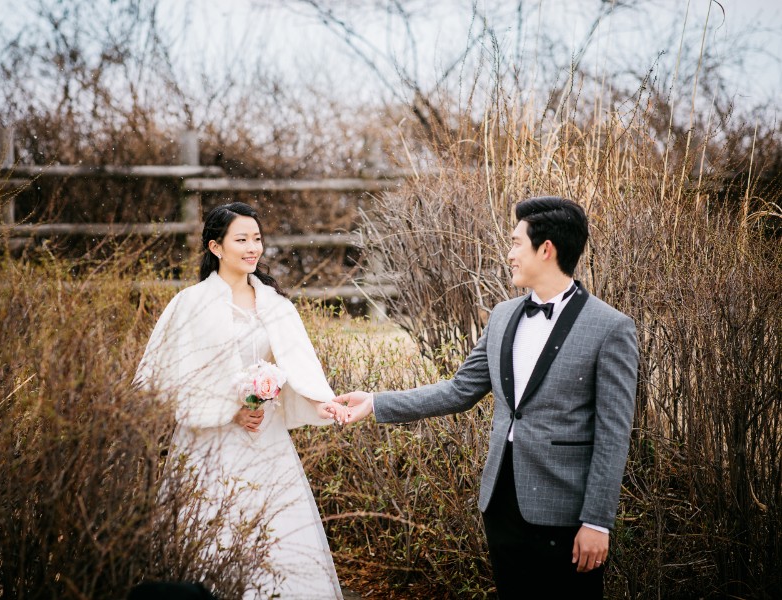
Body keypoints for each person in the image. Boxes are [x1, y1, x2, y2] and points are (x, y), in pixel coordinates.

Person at [335, 196, 639, 599]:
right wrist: (376, 402)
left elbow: (614, 434)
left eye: (516, 243)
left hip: (565, 511)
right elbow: (460, 389)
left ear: (546, 249)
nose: (510, 253)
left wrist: (597, 522)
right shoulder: (503, 316)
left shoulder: (610, 327)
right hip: (501, 503)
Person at [135, 202, 347, 599]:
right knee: (213, 528)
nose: (253, 248)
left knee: (275, 534)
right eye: (242, 240)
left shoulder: (276, 305)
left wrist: (322, 403)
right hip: (207, 442)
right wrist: (228, 408)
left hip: (265, 439)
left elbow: (298, 368)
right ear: (216, 247)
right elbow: (160, 376)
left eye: (258, 239)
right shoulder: (190, 304)